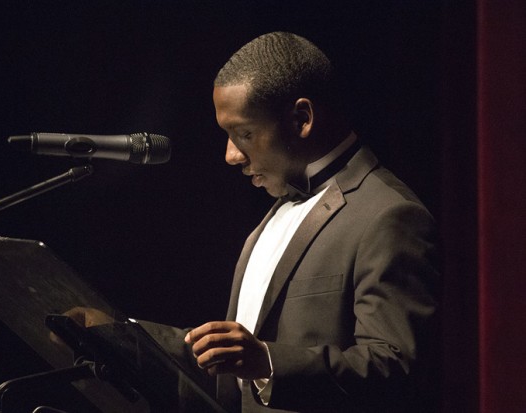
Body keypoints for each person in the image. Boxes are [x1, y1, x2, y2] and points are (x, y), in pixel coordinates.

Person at [57, 32, 440, 413]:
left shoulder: (389, 215)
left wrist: (268, 362)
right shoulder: (276, 210)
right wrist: (115, 335)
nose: (231, 155)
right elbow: (230, 372)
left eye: (244, 134)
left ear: (302, 119)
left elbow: (396, 370)